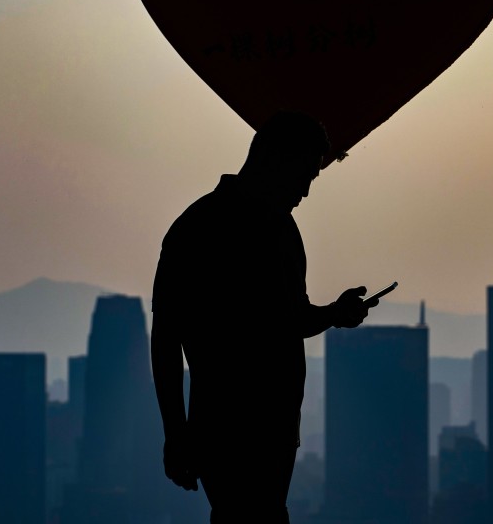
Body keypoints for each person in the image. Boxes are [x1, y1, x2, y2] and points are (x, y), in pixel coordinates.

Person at [151, 111, 378, 523]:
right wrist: (175, 432)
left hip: (273, 427)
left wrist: (333, 314)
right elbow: (166, 339)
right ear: (275, 160)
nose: (307, 191)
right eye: (305, 174)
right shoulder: (198, 229)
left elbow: (289, 320)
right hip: (227, 428)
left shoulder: (279, 229)